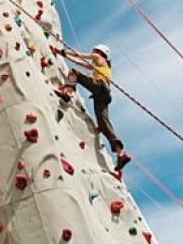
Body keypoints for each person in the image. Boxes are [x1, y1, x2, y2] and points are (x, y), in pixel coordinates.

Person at [55, 44, 131, 172]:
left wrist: (63, 51)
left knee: (74, 73)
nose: (92, 53)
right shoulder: (100, 66)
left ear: (98, 51)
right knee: (103, 124)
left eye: (94, 51)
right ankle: (121, 153)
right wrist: (65, 55)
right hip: (104, 95)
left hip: (100, 87)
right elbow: (80, 62)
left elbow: (81, 55)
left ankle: (67, 93)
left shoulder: (98, 57)